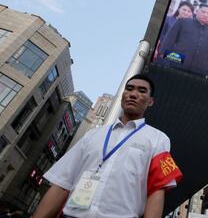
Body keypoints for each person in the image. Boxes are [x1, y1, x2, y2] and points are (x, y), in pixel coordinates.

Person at [33, 74, 182, 218]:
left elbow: (157, 189)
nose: (133, 94)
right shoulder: (92, 135)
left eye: (142, 91)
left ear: (150, 101)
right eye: (129, 89)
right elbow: (63, 183)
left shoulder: (158, 139)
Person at [159, 4, 208, 78]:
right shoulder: (183, 22)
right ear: (197, 12)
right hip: (177, 62)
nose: (205, 15)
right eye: (203, 12)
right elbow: (170, 39)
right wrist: (164, 53)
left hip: (200, 68)